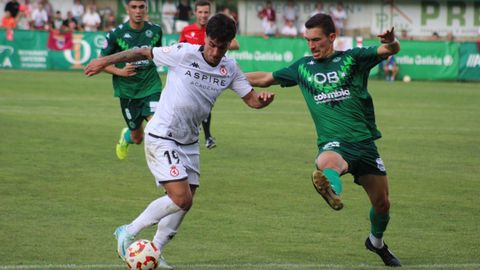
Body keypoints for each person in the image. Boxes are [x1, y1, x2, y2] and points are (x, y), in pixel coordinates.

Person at [84, 13, 275, 269]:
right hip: (162, 135)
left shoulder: (229, 68)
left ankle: (156, 250)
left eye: (223, 46)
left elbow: (251, 99)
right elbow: (142, 52)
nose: (216, 51)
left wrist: (262, 102)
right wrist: (104, 61)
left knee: (186, 202)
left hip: (189, 142)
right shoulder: (184, 53)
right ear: (206, 37)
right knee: (180, 198)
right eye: (213, 44)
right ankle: (128, 231)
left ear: (230, 43)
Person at [246, 13, 402, 267]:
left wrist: (392, 41)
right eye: (307, 40)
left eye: (316, 40)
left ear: (332, 37)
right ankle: (330, 188)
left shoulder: (353, 58)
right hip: (333, 143)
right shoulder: (303, 67)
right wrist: (227, 78)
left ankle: (376, 242)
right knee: (328, 161)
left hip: (364, 143)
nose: (311, 45)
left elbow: (390, 49)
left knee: (382, 204)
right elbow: (266, 78)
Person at [100, 0, 163, 161]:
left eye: (141, 7)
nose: (138, 11)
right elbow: (101, 62)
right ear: (127, 9)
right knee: (137, 138)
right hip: (128, 92)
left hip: (151, 86)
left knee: (157, 126)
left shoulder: (155, 31)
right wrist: (119, 71)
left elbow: (158, 55)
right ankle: (127, 136)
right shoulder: (116, 34)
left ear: (146, 8)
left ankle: (165, 168)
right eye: (134, 7)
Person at [179, 0, 239, 149]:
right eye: (200, 12)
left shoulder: (215, 29)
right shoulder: (187, 30)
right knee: (191, 105)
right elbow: (179, 48)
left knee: (204, 105)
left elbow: (236, 44)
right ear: (195, 13)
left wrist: (218, 45)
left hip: (210, 74)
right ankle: (204, 136)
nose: (203, 15)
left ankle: (206, 136)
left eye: (206, 12)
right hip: (191, 74)